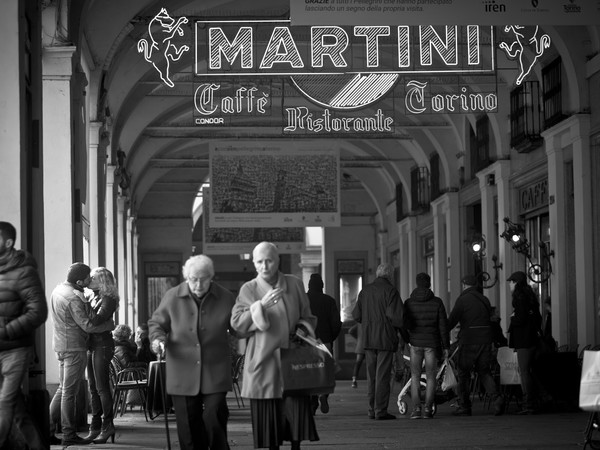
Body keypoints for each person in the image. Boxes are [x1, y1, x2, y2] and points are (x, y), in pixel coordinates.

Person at [230, 242, 318, 450]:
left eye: (269, 260)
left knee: (295, 413)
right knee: (268, 418)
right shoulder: (249, 289)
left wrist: (304, 329)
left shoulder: (294, 284)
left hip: (293, 356)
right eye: (259, 262)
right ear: (254, 263)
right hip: (263, 359)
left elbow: (309, 317)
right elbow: (236, 323)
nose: (264, 266)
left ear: (278, 260)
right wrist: (259, 307)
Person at [149, 254, 236, 450]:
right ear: (186, 277)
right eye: (193, 279)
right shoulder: (173, 296)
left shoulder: (225, 297)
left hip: (215, 368)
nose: (198, 284)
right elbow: (156, 324)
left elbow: (238, 326)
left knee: (215, 414)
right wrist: (158, 341)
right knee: (188, 424)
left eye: (203, 278)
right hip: (182, 369)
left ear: (211, 277)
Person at [49, 262, 115, 446]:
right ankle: (69, 433)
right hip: (74, 348)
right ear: (79, 280)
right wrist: (110, 326)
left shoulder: (58, 290)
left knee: (64, 390)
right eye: (88, 278)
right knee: (69, 392)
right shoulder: (75, 297)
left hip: (61, 345)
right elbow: (87, 325)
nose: (89, 281)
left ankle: (48, 429)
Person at [0, 221, 48, 449]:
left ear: (8, 243)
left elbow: (38, 312)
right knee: (16, 407)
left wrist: (6, 331)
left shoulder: (24, 272)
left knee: (4, 403)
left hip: (15, 349)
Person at [352, 263, 404, 420]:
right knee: (382, 376)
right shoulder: (391, 291)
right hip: (385, 338)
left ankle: (371, 410)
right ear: (390, 275)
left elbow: (356, 315)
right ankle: (380, 410)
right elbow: (397, 318)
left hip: (368, 339)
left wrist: (368, 321)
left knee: (372, 376)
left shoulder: (365, 291)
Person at [447, 275, 504, 417]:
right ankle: (496, 398)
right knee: (484, 371)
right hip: (485, 339)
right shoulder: (484, 299)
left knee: (463, 373)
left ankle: (464, 406)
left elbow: (452, 320)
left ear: (465, 285)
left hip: (469, 340)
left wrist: (442, 331)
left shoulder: (462, 300)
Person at [402, 273, 450, 419]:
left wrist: (407, 339)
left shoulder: (409, 303)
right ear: (429, 283)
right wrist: (446, 346)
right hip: (432, 344)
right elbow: (443, 326)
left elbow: (404, 323)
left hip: (415, 343)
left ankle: (416, 409)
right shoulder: (437, 302)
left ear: (416, 284)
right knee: (431, 377)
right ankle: (428, 409)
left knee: (415, 376)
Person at [84, 267, 119, 444]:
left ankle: (108, 426)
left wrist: (81, 305)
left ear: (102, 281)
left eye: (93, 278)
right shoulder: (93, 296)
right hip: (92, 345)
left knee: (102, 388)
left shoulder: (109, 298)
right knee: (93, 387)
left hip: (103, 345)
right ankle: (95, 427)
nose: (89, 280)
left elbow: (95, 320)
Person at [507, 271, 543, 415]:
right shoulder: (530, 297)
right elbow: (537, 318)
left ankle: (528, 403)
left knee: (523, 372)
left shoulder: (519, 298)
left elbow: (520, 319)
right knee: (528, 371)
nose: (509, 284)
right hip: (532, 339)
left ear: (516, 282)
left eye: (511, 282)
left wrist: (513, 318)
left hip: (523, 340)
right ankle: (539, 398)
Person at [306, 273, 341, 415]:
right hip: (324, 341)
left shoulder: (302, 300)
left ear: (309, 286)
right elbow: (336, 323)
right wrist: (330, 338)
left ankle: (312, 401)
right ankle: (324, 395)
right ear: (322, 286)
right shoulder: (329, 301)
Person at [348, 322, 364, 389]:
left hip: (360, 345)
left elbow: (351, 331)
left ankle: (354, 380)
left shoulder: (359, 323)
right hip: (369, 345)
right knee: (371, 364)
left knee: (358, 363)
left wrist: (358, 338)